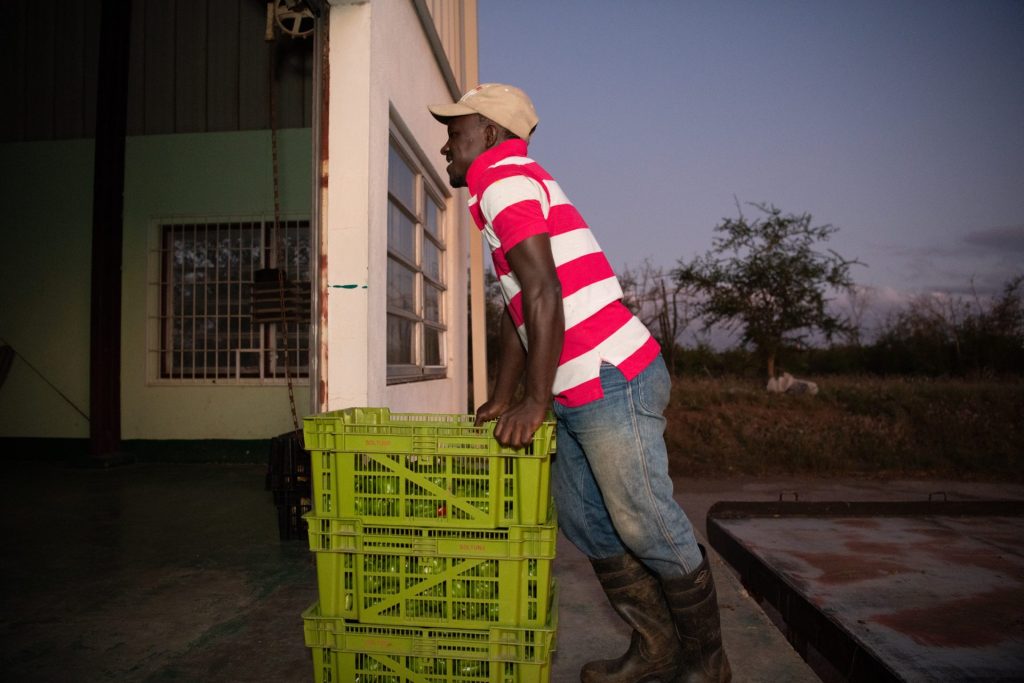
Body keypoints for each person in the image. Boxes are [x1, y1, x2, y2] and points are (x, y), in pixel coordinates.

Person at [429, 83, 731, 683]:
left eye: (454, 132)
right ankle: (656, 653)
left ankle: (707, 665)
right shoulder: (506, 184)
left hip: (608, 375)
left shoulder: (502, 179)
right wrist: (508, 394)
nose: (445, 145)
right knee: (586, 521)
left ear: (488, 135)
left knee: (645, 520)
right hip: (573, 385)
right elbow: (517, 306)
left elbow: (546, 293)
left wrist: (534, 402)